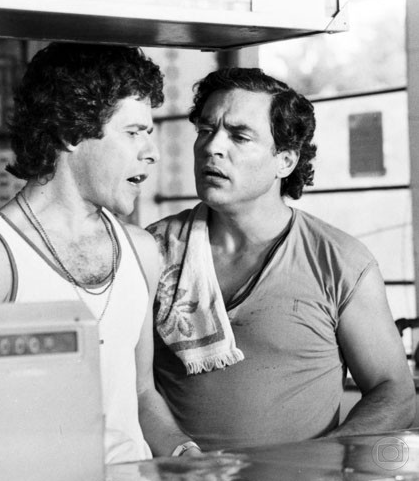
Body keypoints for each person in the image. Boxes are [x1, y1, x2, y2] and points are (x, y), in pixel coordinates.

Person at [0, 43, 200, 463]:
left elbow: (142, 394)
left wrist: (187, 454)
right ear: (71, 134)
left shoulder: (141, 251)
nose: (152, 152)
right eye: (133, 133)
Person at [147, 67, 416, 451]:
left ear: (285, 161)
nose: (212, 147)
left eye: (240, 136)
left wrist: (320, 461)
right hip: (178, 473)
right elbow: (132, 386)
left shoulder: (338, 261)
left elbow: (394, 392)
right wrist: (183, 461)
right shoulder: (154, 250)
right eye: (205, 130)